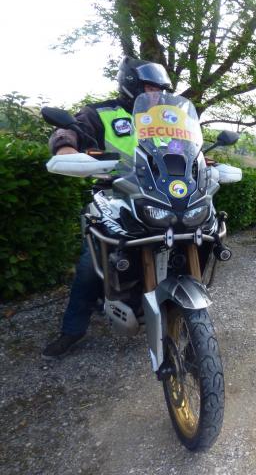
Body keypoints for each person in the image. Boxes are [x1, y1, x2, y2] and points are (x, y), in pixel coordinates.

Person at [42, 57, 173, 359]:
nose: (155, 94)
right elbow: (69, 130)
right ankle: (72, 330)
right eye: (150, 87)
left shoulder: (166, 120)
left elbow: (183, 146)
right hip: (113, 196)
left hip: (160, 197)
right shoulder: (101, 113)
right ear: (131, 85)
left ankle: (176, 309)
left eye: (160, 89)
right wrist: (66, 147)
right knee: (92, 261)